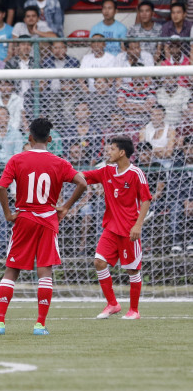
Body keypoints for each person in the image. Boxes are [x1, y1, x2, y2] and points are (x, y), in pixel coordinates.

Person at [0, 117, 88, 336]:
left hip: (24, 218)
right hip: (47, 219)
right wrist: (65, 207)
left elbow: (1, 187)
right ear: (50, 139)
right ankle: (40, 325)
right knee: (45, 271)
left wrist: (8, 213)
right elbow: (82, 182)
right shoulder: (59, 162)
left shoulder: (17, 159)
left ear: (29, 137)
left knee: (12, 270)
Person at [82, 136, 152, 320]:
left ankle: (134, 311)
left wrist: (138, 225)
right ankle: (112, 304)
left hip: (129, 230)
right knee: (99, 262)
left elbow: (146, 199)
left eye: (112, 149)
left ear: (122, 152)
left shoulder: (136, 173)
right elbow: (85, 176)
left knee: (132, 270)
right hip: (111, 228)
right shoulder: (107, 171)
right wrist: (61, 171)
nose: (108, 152)